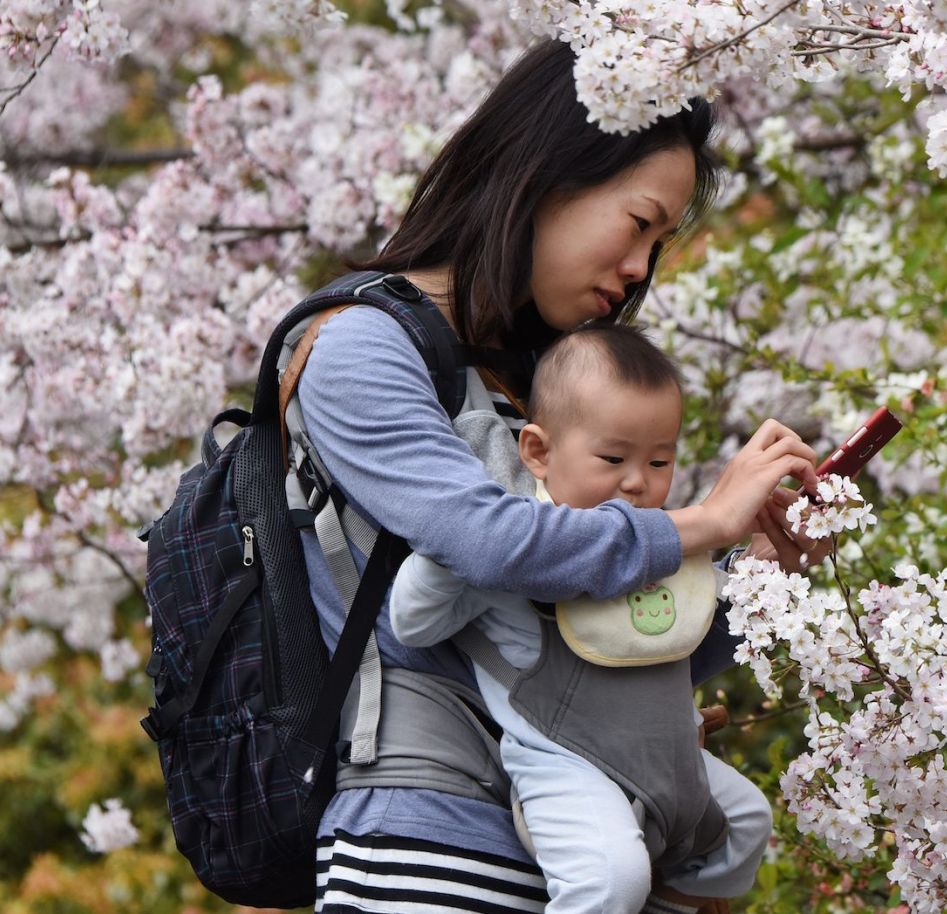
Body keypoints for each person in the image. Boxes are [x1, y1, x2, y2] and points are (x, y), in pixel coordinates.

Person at [295, 40, 825, 913]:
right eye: (640, 222)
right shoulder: (361, 346)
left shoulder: (544, 382)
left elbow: (603, 649)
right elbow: (485, 544)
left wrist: (755, 572)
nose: (639, 270)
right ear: (547, 176)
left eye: (660, 242)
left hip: (585, 852)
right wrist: (707, 522)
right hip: (427, 845)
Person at [389, 323, 771, 914]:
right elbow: (412, 623)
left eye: (660, 459)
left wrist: (761, 564)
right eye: (613, 457)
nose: (637, 482)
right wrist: (462, 551)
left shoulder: (663, 538)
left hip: (669, 755)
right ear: (539, 452)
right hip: (567, 764)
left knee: (747, 822)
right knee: (610, 879)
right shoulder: (521, 543)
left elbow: (701, 615)